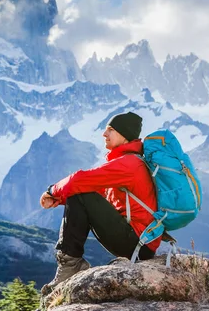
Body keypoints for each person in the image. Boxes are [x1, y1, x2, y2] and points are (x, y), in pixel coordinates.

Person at [40, 111, 161, 295]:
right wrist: (60, 199)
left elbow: (80, 180)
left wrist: (52, 190)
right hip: (141, 243)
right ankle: (72, 264)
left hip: (137, 243)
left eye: (110, 130)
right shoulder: (130, 162)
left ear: (124, 134)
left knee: (79, 191)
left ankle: (70, 265)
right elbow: (98, 193)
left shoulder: (129, 164)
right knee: (79, 192)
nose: (104, 134)